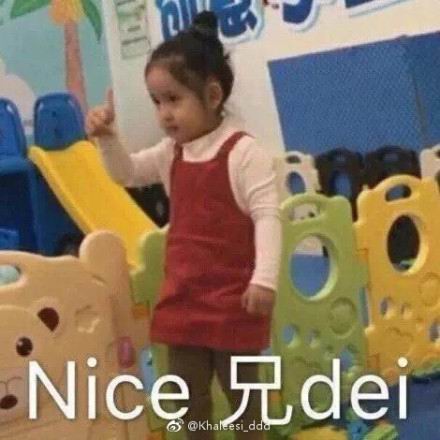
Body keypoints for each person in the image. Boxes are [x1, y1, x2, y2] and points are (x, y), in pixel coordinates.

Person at [86, 11, 281, 440]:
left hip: (233, 301)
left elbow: (268, 216)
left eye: (173, 99)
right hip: (185, 301)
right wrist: (108, 139)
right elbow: (126, 173)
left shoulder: (243, 153)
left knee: (245, 402)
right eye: (156, 102)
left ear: (212, 95)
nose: (164, 114)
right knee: (189, 400)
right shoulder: (170, 152)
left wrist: (264, 279)